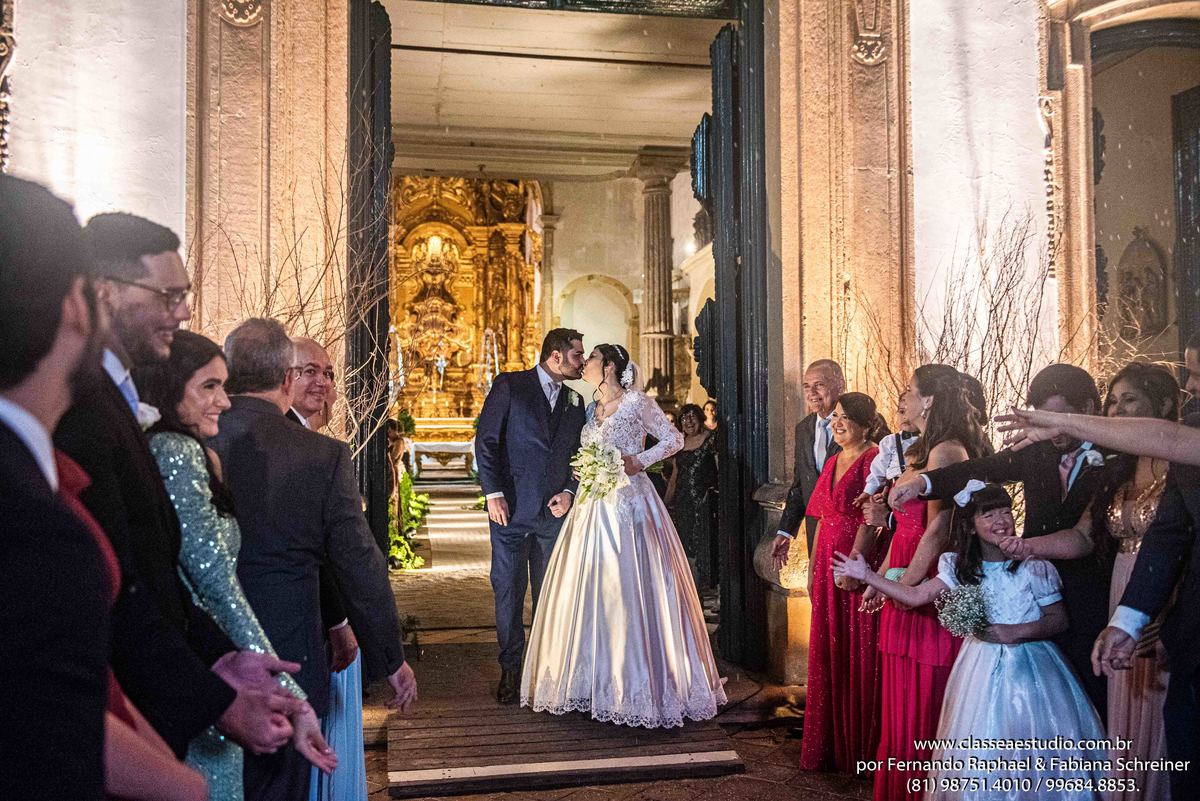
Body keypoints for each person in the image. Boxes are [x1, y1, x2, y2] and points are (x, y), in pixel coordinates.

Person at [56, 212, 301, 762]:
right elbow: (122, 583)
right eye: (167, 295)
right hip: (126, 709)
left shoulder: (117, 400)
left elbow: (159, 578)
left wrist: (225, 662)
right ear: (103, 293)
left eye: (184, 294)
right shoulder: (81, 403)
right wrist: (214, 698)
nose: (185, 311)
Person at [0, 175, 208, 801]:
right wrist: (185, 788)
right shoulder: (33, 528)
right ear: (79, 302)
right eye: (168, 294)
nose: (184, 312)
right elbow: (54, 736)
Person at [210, 318, 416, 801]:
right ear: (286, 377)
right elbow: (359, 565)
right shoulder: (320, 456)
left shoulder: (187, 439)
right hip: (286, 658)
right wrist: (390, 658)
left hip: (202, 655)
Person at [137, 331, 338, 800]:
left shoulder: (190, 450)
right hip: (211, 668)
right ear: (170, 386)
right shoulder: (176, 451)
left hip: (210, 665)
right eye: (209, 386)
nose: (224, 402)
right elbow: (214, 587)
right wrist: (292, 695)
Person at [833, 482, 1106, 801]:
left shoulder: (1034, 563)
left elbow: (1058, 619)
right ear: (972, 526)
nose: (1001, 520)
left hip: (1033, 669)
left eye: (1006, 512)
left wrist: (1012, 632)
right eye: (988, 515)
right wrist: (869, 577)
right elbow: (916, 594)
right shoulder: (960, 567)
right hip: (979, 668)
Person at [520, 344, 727, 727]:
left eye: (591, 359)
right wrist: (581, 475)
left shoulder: (637, 403)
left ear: (610, 365)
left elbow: (673, 440)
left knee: (631, 587)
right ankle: (591, 684)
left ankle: (637, 686)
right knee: (590, 590)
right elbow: (588, 452)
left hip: (630, 504)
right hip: (591, 507)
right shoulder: (590, 408)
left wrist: (639, 461)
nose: (584, 364)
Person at [998, 363, 1177, 800]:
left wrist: (1163, 610)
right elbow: (1082, 536)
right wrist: (1024, 548)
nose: (1117, 411)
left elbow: (1179, 541)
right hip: (1123, 597)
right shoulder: (1117, 470)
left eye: (1129, 400)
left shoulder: (1182, 463)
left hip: (1168, 596)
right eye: (1113, 401)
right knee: (1122, 708)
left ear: (1168, 404)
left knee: (1169, 718)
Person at [890, 363, 1114, 714]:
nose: (1051, 428)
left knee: (1088, 696)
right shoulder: (1037, 450)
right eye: (1042, 418)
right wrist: (925, 484)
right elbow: (981, 469)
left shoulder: (1113, 460)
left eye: (1059, 416)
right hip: (1030, 589)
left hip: (1089, 589)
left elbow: (1087, 536)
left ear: (1086, 410)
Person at [861, 365, 990, 801]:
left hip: (927, 576)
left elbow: (939, 532)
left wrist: (901, 586)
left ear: (930, 400)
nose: (902, 397)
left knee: (922, 699)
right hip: (905, 564)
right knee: (900, 699)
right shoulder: (922, 449)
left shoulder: (947, 453)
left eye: (909, 390)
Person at [771, 393, 885, 772]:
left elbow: (873, 519)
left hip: (857, 560)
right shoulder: (834, 460)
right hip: (825, 561)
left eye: (845, 418)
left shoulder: (875, 459)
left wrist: (855, 566)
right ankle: (830, 743)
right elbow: (817, 515)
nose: (836, 423)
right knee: (828, 651)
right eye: (834, 416)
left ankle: (859, 746)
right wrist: (813, 572)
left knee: (857, 649)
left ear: (866, 424)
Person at [474, 328, 588, 704]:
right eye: (577, 355)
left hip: (553, 516)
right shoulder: (510, 386)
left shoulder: (575, 399)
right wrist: (493, 493)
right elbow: (486, 441)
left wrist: (570, 492)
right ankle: (511, 667)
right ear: (555, 356)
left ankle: (544, 668)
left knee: (550, 594)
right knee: (507, 592)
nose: (582, 362)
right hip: (509, 513)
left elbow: (579, 454)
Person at [284, 336, 368, 801]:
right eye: (309, 371)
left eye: (329, 373)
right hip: (314, 620)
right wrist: (341, 621)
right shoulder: (293, 447)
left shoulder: (319, 446)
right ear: (283, 376)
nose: (323, 382)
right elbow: (315, 550)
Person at [778, 360, 847, 558]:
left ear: (840, 385)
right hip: (815, 534)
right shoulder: (803, 429)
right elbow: (800, 485)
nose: (812, 393)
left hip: (849, 535)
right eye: (807, 386)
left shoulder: (862, 424)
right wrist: (785, 531)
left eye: (819, 385)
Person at [665, 403, 719, 589]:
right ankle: (694, 597)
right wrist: (663, 504)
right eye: (684, 418)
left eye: (692, 416)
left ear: (700, 418)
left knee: (705, 548)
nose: (688, 421)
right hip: (683, 504)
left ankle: (711, 592)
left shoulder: (711, 440)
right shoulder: (679, 444)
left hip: (705, 505)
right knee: (686, 549)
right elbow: (674, 478)